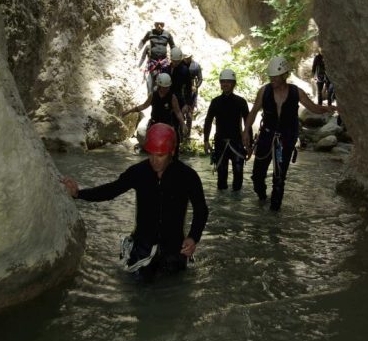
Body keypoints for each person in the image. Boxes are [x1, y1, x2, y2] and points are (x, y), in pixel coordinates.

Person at [61, 123, 209, 281]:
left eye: (160, 155)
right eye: (150, 154)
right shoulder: (139, 172)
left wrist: (193, 238)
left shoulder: (187, 176)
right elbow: (111, 190)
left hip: (173, 249)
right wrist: (78, 193)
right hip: (142, 247)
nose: (154, 160)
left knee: (173, 291)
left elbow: (201, 210)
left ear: (171, 152)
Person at [242, 56, 334, 211]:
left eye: (276, 77)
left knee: (279, 179)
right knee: (257, 176)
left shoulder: (296, 92)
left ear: (284, 75)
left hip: (286, 138)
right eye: (271, 77)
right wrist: (246, 131)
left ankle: (274, 214)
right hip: (266, 135)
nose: (273, 80)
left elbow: (313, 108)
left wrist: (330, 109)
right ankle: (262, 197)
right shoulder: (264, 91)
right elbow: (253, 112)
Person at [203, 68, 250, 191]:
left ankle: (236, 204)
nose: (225, 84)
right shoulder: (215, 102)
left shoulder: (241, 102)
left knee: (238, 176)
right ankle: (222, 207)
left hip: (237, 142)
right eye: (223, 81)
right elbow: (208, 121)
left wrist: (249, 145)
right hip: (220, 142)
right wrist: (206, 140)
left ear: (234, 84)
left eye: (228, 81)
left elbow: (247, 123)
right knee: (221, 177)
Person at [121, 72, 187, 156]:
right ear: (159, 86)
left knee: (171, 148)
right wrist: (128, 111)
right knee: (152, 150)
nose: (166, 89)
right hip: (154, 124)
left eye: (167, 87)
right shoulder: (153, 95)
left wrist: (183, 124)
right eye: (164, 87)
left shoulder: (172, 97)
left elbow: (178, 112)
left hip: (167, 125)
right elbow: (143, 106)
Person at [139, 21, 176, 93]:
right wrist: (138, 48)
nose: (159, 26)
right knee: (153, 79)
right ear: (154, 25)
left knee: (165, 78)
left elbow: (172, 46)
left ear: (164, 25)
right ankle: (153, 95)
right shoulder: (150, 33)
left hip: (164, 61)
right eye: (157, 24)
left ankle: (165, 95)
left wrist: (174, 58)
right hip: (153, 61)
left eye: (161, 24)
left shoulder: (167, 34)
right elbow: (143, 41)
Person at [168, 47, 193, 140]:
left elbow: (188, 88)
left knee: (177, 123)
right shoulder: (167, 69)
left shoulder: (184, 70)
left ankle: (177, 144)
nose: (176, 63)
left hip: (179, 99)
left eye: (177, 61)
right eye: (174, 61)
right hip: (166, 98)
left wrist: (187, 104)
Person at [183, 51, 203, 134]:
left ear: (191, 56)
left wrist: (196, 86)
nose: (186, 59)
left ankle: (187, 133)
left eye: (188, 58)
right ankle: (179, 132)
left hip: (192, 92)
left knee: (189, 113)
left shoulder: (196, 66)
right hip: (182, 90)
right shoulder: (181, 65)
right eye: (185, 58)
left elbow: (200, 79)